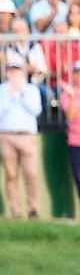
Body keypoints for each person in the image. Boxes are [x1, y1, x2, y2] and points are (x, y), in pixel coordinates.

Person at [0, 57, 43, 219]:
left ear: (23, 72)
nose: (14, 73)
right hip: (6, 136)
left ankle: (33, 209)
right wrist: (10, 96)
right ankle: (15, 210)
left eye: (17, 70)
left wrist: (22, 93)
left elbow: (36, 110)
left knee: (31, 173)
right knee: (11, 174)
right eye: (11, 70)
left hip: (27, 135)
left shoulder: (31, 90)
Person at [61, 61, 80, 202]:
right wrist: (74, 96)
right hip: (75, 142)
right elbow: (70, 116)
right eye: (76, 73)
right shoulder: (67, 94)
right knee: (79, 177)